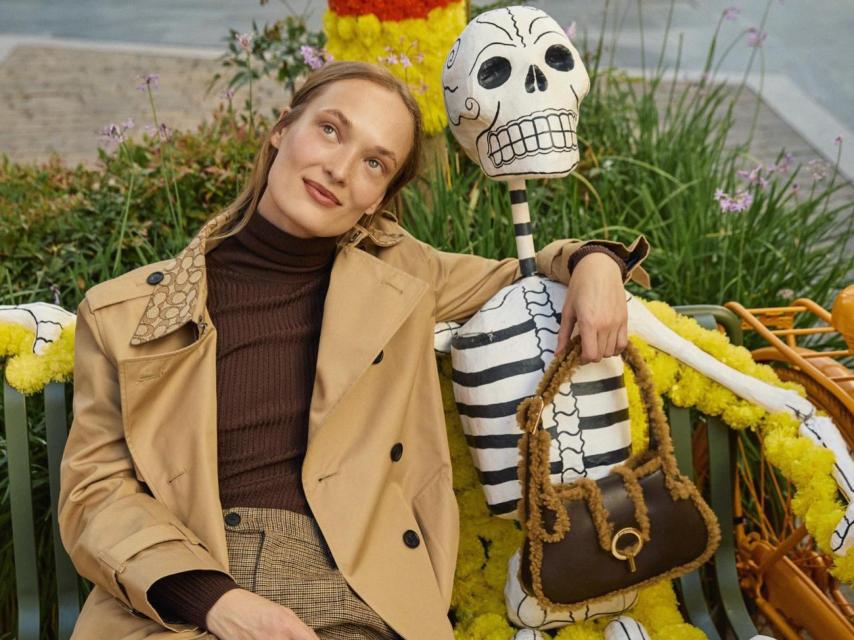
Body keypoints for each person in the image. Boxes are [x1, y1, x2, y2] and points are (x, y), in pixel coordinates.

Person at [58, 61, 649, 640]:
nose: (339, 169)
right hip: (194, 591)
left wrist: (596, 263)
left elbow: (522, 272)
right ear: (282, 128)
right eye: (330, 129)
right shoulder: (127, 315)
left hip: (362, 591)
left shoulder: (406, 279)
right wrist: (217, 601)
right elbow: (96, 496)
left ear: (377, 198)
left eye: (374, 163)